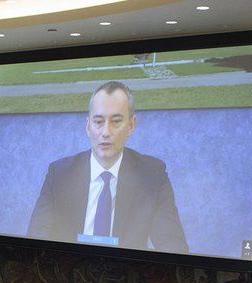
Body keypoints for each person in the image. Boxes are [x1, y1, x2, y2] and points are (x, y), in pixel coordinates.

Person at [25, 80, 187, 252]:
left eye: (116, 121)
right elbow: (36, 238)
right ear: (88, 126)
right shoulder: (60, 174)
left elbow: (174, 247)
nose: (105, 132)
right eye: (98, 121)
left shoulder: (152, 176)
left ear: (131, 125)